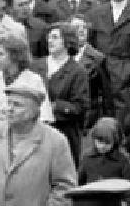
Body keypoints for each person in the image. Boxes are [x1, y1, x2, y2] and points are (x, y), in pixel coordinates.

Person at [0, 72, 77, 206]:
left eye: (17, 105)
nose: (8, 109)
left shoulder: (56, 142)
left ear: (34, 111)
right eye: (8, 103)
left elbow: (64, 188)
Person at [36, 22, 90, 166]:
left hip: (64, 134)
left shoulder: (78, 72)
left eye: (55, 37)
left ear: (67, 41)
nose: (49, 40)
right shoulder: (37, 66)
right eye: (49, 37)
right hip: (35, 134)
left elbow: (80, 106)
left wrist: (52, 106)